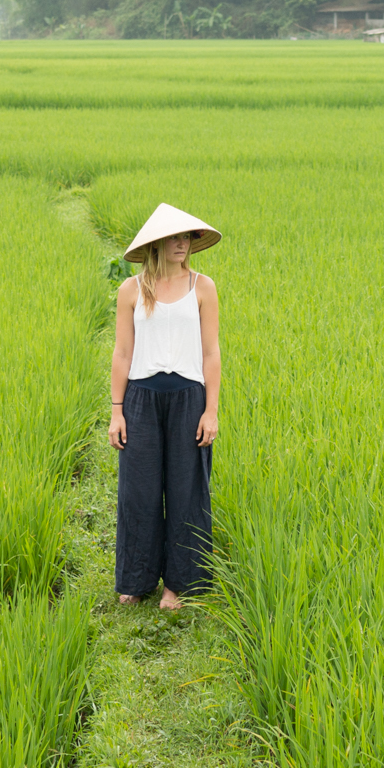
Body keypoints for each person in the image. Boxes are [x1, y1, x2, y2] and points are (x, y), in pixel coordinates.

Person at [109, 203, 221, 609]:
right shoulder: (132, 291)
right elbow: (122, 353)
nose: (183, 244)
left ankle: (178, 584)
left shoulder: (203, 287)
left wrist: (210, 410)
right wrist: (117, 409)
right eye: (175, 238)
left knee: (186, 490)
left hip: (188, 399)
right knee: (137, 491)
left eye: (187, 237)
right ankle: (136, 580)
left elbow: (211, 354)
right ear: (156, 244)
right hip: (140, 399)